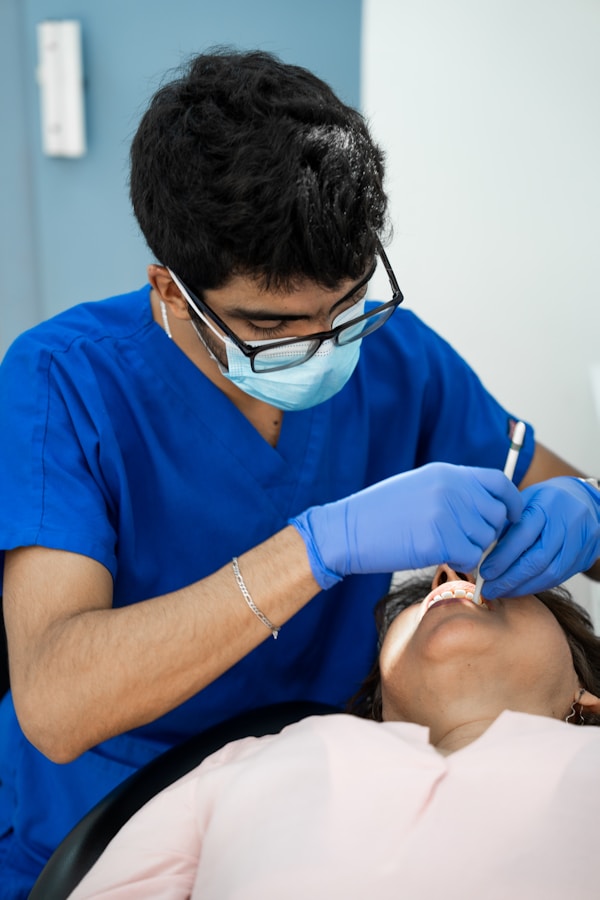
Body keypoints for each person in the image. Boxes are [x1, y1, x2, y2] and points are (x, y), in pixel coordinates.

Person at [0, 48, 598, 894]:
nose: (323, 347)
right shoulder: (64, 383)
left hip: (338, 800)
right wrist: (317, 546)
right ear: (171, 292)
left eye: (345, 306)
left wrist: (587, 508)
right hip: (107, 818)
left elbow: (565, 496)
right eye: (274, 325)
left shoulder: (396, 358)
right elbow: (57, 704)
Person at [66, 566, 600, 898]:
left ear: (588, 703)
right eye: (419, 601)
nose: (447, 576)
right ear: (379, 703)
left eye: (519, 585)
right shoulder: (252, 759)